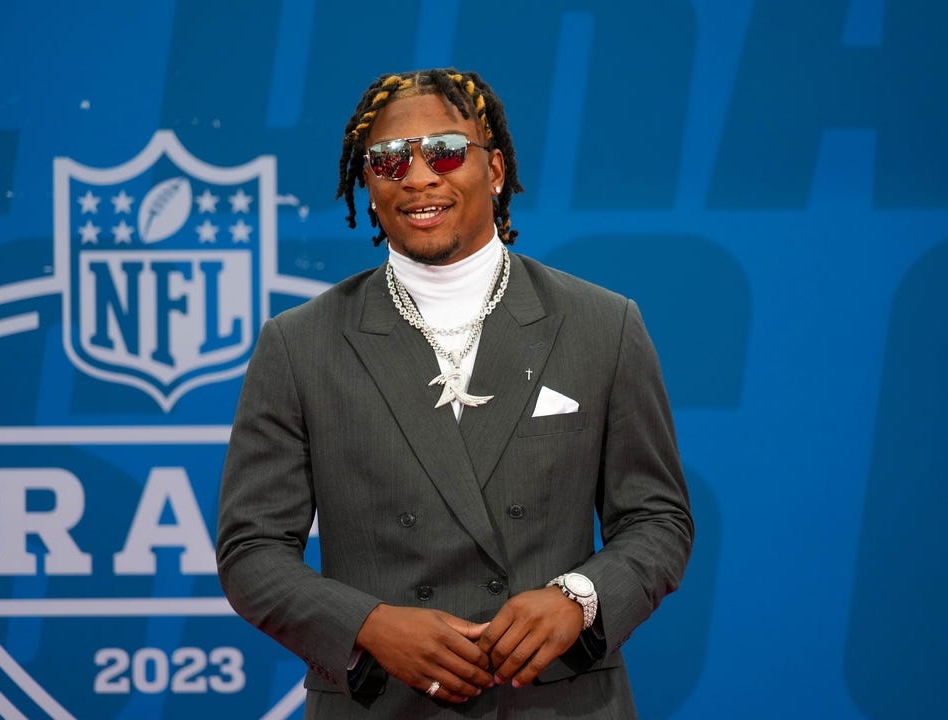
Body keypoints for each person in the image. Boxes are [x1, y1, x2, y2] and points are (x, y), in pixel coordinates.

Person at [217, 67, 693, 719]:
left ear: (494, 170)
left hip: (556, 701)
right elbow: (251, 553)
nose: (417, 177)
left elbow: (657, 520)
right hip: (384, 703)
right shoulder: (300, 344)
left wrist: (579, 597)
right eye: (387, 161)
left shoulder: (603, 325)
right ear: (368, 183)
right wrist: (369, 627)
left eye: (444, 151)